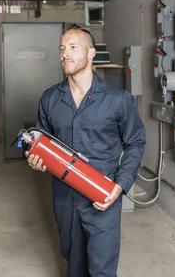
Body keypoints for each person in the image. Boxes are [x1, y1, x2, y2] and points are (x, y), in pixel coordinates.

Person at [25, 24, 146, 277]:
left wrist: (120, 185)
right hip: (64, 197)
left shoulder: (117, 99)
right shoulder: (49, 100)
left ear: (91, 53)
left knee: (101, 269)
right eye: (61, 48)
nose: (64, 54)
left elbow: (135, 142)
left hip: (101, 194)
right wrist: (36, 159)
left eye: (72, 47)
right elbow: (41, 144)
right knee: (74, 264)